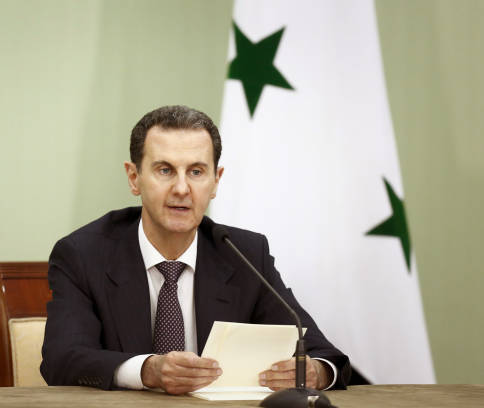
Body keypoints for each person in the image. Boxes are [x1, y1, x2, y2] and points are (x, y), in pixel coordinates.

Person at [40, 105, 350, 394]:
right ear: (134, 178)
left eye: (196, 172)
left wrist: (316, 373)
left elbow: (324, 355)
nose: (181, 188)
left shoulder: (245, 255)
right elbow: (61, 360)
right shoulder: (84, 254)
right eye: (165, 170)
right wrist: (148, 370)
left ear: (216, 181)